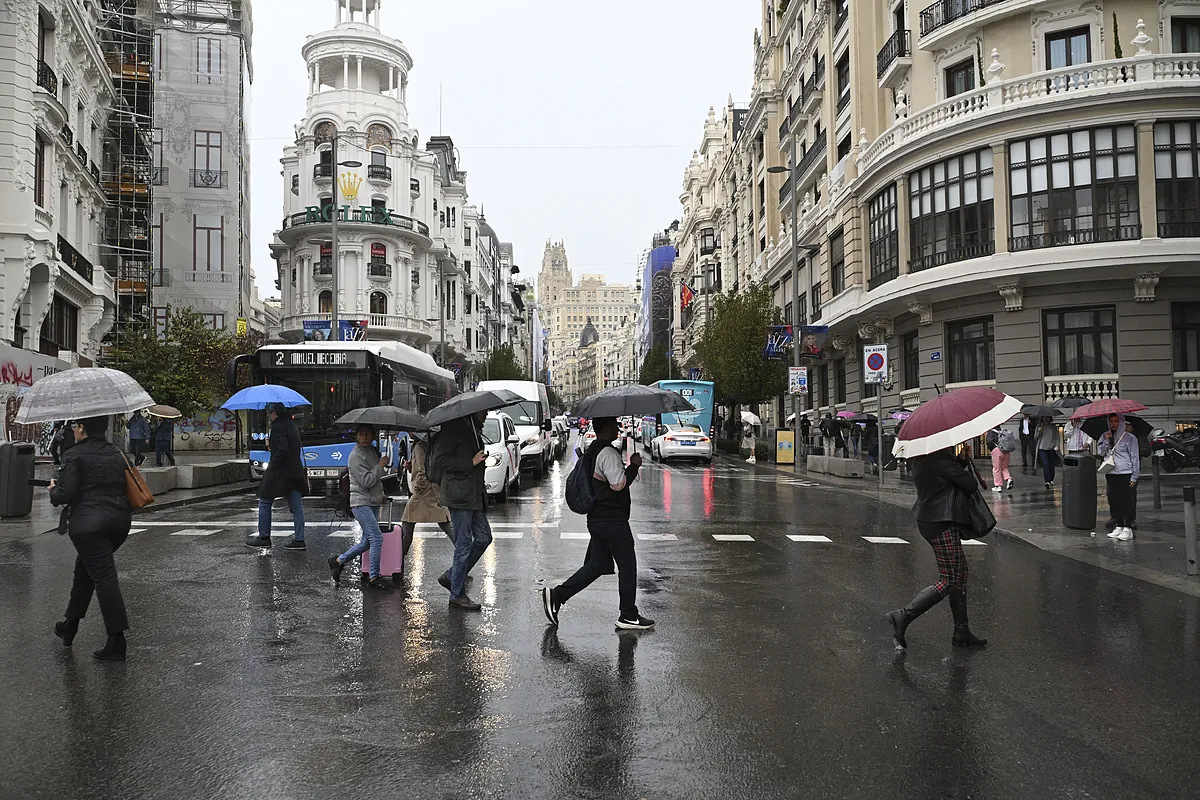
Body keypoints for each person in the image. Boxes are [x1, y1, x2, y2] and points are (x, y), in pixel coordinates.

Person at [542, 417, 654, 630]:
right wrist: (633, 467)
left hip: (597, 518)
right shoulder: (607, 453)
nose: (618, 429)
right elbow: (618, 484)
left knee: (597, 565)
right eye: (615, 425)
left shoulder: (593, 450)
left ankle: (557, 595)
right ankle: (628, 615)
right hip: (612, 519)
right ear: (608, 428)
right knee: (627, 565)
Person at [48, 417, 133, 661]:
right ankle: (69, 626)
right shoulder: (115, 452)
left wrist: (54, 489)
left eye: (75, 426)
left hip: (89, 525)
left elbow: (65, 494)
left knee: (104, 577)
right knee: (86, 568)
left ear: (82, 428)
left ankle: (117, 640)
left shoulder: (74, 455)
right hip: (119, 523)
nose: (73, 430)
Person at [886, 445, 987, 649]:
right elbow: (969, 483)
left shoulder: (923, 458)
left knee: (959, 574)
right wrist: (960, 463)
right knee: (951, 579)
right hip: (940, 521)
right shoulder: (941, 460)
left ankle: (961, 631)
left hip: (930, 519)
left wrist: (958, 461)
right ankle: (903, 616)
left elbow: (943, 478)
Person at [433, 410, 492, 610]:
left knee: (484, 538)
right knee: (464, 543)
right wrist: (471, 462)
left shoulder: (474, 430)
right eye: (485, 411)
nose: (487, 413)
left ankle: (452, 576)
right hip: (459, 495)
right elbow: (440, 460)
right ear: (474, 411)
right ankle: (456, 595)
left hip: (473, 494)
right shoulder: (454, 428)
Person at [328, 425, 392, 589]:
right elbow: (367, 481)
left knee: (367, 541)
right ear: (356, 436)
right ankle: (373, 577)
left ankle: (338, 561)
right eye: (361, 434)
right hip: (360, 502)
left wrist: (381, 496)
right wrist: (380, 466)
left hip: (372, 501)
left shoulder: (372, 451)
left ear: (373, 436)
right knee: (376, 538)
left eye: (368, 434)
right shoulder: (355, 456)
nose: (364, 437)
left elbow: (376, 481)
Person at [246, 402, 307, 550]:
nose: (267, 416)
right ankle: (299, 539)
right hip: (294, 471)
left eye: (268, 413)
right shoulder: (291, 425)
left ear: (273, 412)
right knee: (296, 506)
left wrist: (271, 465)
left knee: (265, 501)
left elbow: (282, 450)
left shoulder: (278, 427)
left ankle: (264, 537)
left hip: (280, 472)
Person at [398, 431, 455, 573]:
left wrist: (419, 486)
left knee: (407, 522)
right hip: (433, 489)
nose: (409, 433)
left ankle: (398, 559)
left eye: (411, 430)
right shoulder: (428, 444)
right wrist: (412, 466)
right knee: (444, 521)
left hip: (423, 492)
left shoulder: (419, 446)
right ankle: (464, 551)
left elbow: (423, 471)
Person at [1098, 413, 1140, 541]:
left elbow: (1135, 457)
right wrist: (1106, 440)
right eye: (1111, 421)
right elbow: (1100, 452)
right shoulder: (1105, 435)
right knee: (1115, 500)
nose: (1113, 424)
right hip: (1111, 473)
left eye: (1116, 421)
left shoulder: (1130, 438)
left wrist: (1134, 476)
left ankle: (1128, 527)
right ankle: (1119, 525)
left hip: (1125, 472)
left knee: (1126, 500)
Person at [986, 426, 1014, 492]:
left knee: (996, 468)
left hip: (997, 451)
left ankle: (998, 486)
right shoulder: (1003, 430)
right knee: (1004, 467)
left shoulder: (991, 431)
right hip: (1006, 451)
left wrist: (992, 448)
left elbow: (989, 441)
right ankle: (1008, 479)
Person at [1035, 415, 1061, 489]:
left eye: (1047, 417)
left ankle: (1051, 478)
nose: (1046, 419)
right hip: (1042, 448)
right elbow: (1035, 437)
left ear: (1050, 418)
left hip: (1051, 448)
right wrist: (1039, 431)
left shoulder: (1053, 427)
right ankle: (1047, 481)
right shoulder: (1039, 426)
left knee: (1051, 465)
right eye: (1044, 417)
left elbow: (1057, 437)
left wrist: (1057, 445)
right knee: (1045, 464)